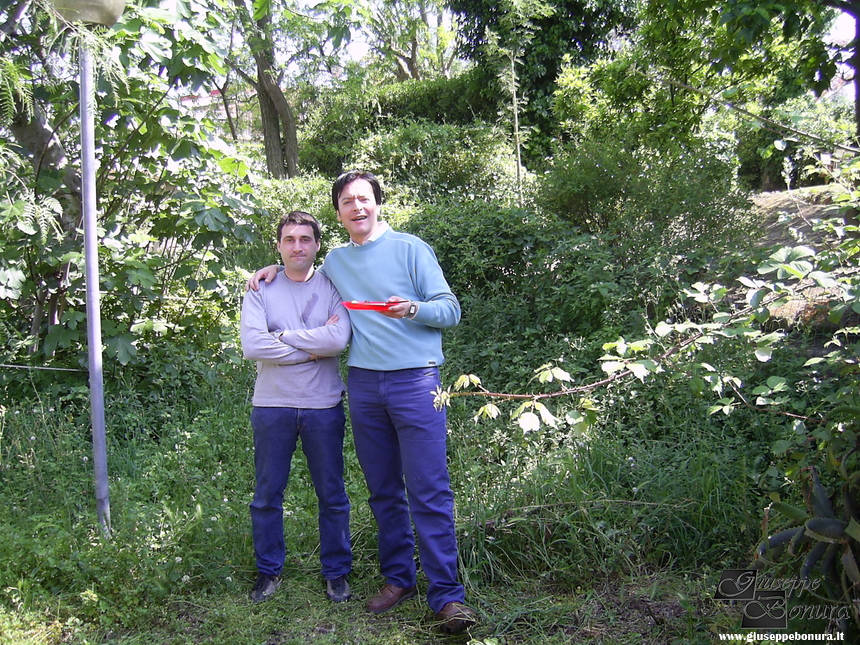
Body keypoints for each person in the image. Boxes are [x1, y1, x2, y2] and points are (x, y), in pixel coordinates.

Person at [247, 172, 477, 634]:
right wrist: (268, 272)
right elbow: (302, 273)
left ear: (377, 204)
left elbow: (450, 309)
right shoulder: (336, 262)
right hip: (366, 386)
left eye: (364, 199)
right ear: (338, 213)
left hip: (416, 381)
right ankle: (399, 579)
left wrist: (412, 308)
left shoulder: (412, 248)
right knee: (383, 489)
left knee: (428, 489)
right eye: (347, 202)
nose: (357, 207)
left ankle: (447, 597)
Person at [240, 210, 353, 604]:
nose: (297, 246)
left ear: (317, 245)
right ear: (278, 246)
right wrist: (309, 350)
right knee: (267, 494)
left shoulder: (332, 287)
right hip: (272, 406)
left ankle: (336, 572)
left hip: (323, 405)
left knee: (332, 493)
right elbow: (253, 346)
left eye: (305, 239)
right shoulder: (260, 289)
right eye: (289, 240)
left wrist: (283, 337)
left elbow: (338, 340)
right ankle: (268, 571)